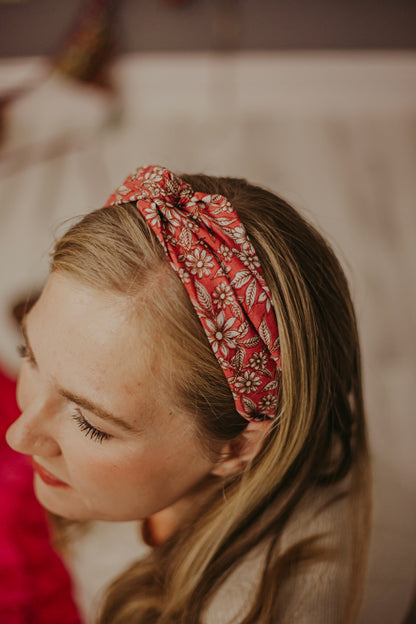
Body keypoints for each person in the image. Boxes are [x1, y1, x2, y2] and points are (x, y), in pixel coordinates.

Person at [6, 165, 371, 624]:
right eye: (30, 353)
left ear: (236, 446)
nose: (18, 436)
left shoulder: (247, 610)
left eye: (90, 423)